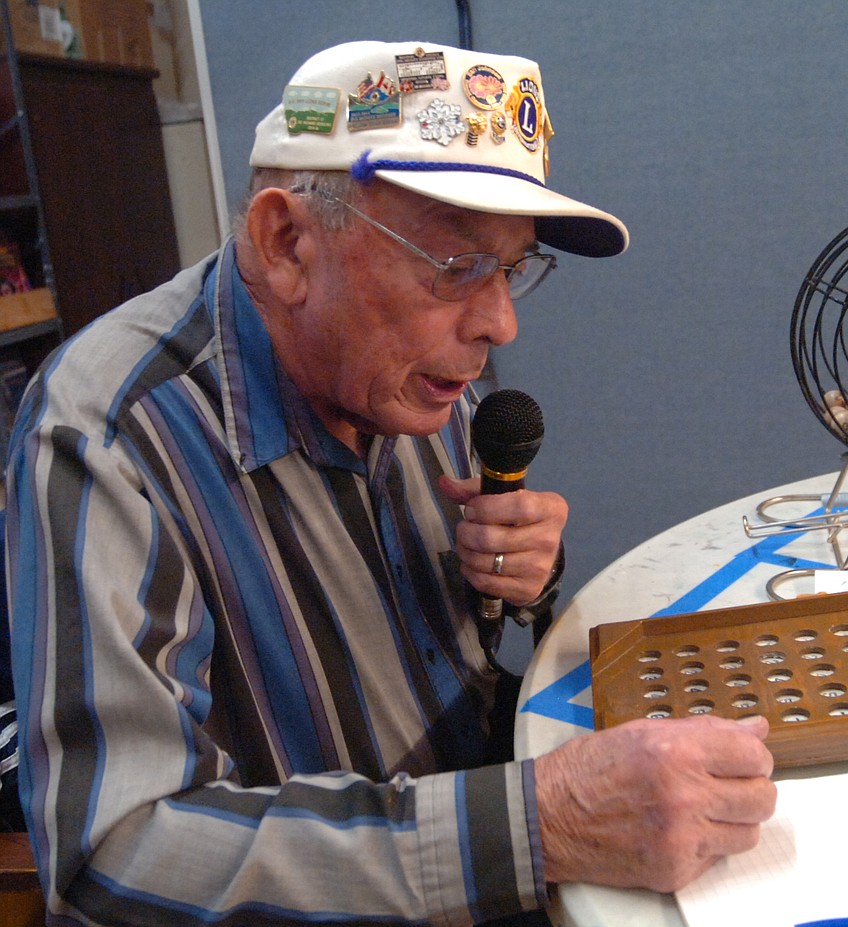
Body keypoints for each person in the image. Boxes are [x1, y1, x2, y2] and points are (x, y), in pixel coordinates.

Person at [5, 41, 776, 925]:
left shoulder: (413, 370)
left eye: (513, 267)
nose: (500, 322)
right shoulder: (107, 435)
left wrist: (525, 575)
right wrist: (539, 823)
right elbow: (115, 853)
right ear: (285, 241)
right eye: (454, 267)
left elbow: (456, 646)